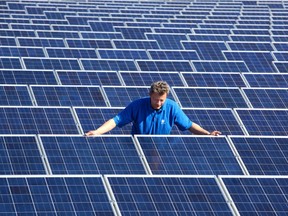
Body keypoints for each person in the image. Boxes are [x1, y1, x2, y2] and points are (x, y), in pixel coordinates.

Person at [85, 81, 221, 136]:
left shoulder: (172, 107)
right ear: (150, 95)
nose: (159, 103)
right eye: (156, 99)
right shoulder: (138, 105)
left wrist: (208, 134)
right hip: (137, 148)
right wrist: (97, 132)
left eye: (162, 100)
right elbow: (116, 120)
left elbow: (189, 125)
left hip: (161, 150)